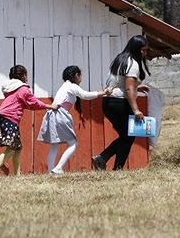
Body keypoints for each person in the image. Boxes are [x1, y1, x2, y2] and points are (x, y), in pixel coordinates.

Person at [0, 65, 59, 178]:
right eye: (26, 75)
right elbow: (34, 103)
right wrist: (49, 106)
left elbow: (25, 104)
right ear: (23, 76)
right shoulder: (23, 89)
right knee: (12, 147)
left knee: (17, 147)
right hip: (10, 119)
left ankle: (17, 175)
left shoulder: (11, 89)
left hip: (3, 118)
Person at [37, 66, 110, 174]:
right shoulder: (71, 86)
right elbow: (85, 95)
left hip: (52, 114)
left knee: (54, 145)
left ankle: (50, 171)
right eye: (80, 75)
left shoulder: (64, 86)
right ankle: (58, 168)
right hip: (60, 114)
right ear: (76, 75)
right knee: (73, 143)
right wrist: (102, 93)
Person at [92, 35, 150, 171]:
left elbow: (120, 83)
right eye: (143, 50)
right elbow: (128, 88)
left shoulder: (120, 59)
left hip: (108, 102)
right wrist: (136, 110)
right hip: (120, 103)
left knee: (126, 136)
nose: (145, 53)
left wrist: (137, 87)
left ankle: (112, 165)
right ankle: (104, 158)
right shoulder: (133, 64)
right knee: (128, 136)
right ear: (136, 49)